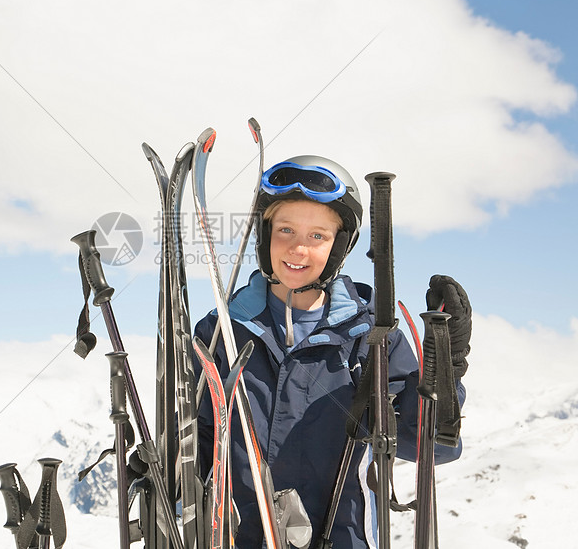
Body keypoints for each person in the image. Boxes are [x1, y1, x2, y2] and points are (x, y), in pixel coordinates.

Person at [192, 155, 471, 549]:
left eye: (317, 236)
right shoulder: (221, 332)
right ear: (264, 234)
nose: (298, 249)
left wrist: (447, 370)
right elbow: (199, 441)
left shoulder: (371, 336)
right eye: (285, 229)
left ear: (340, 246)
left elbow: (426, 444)